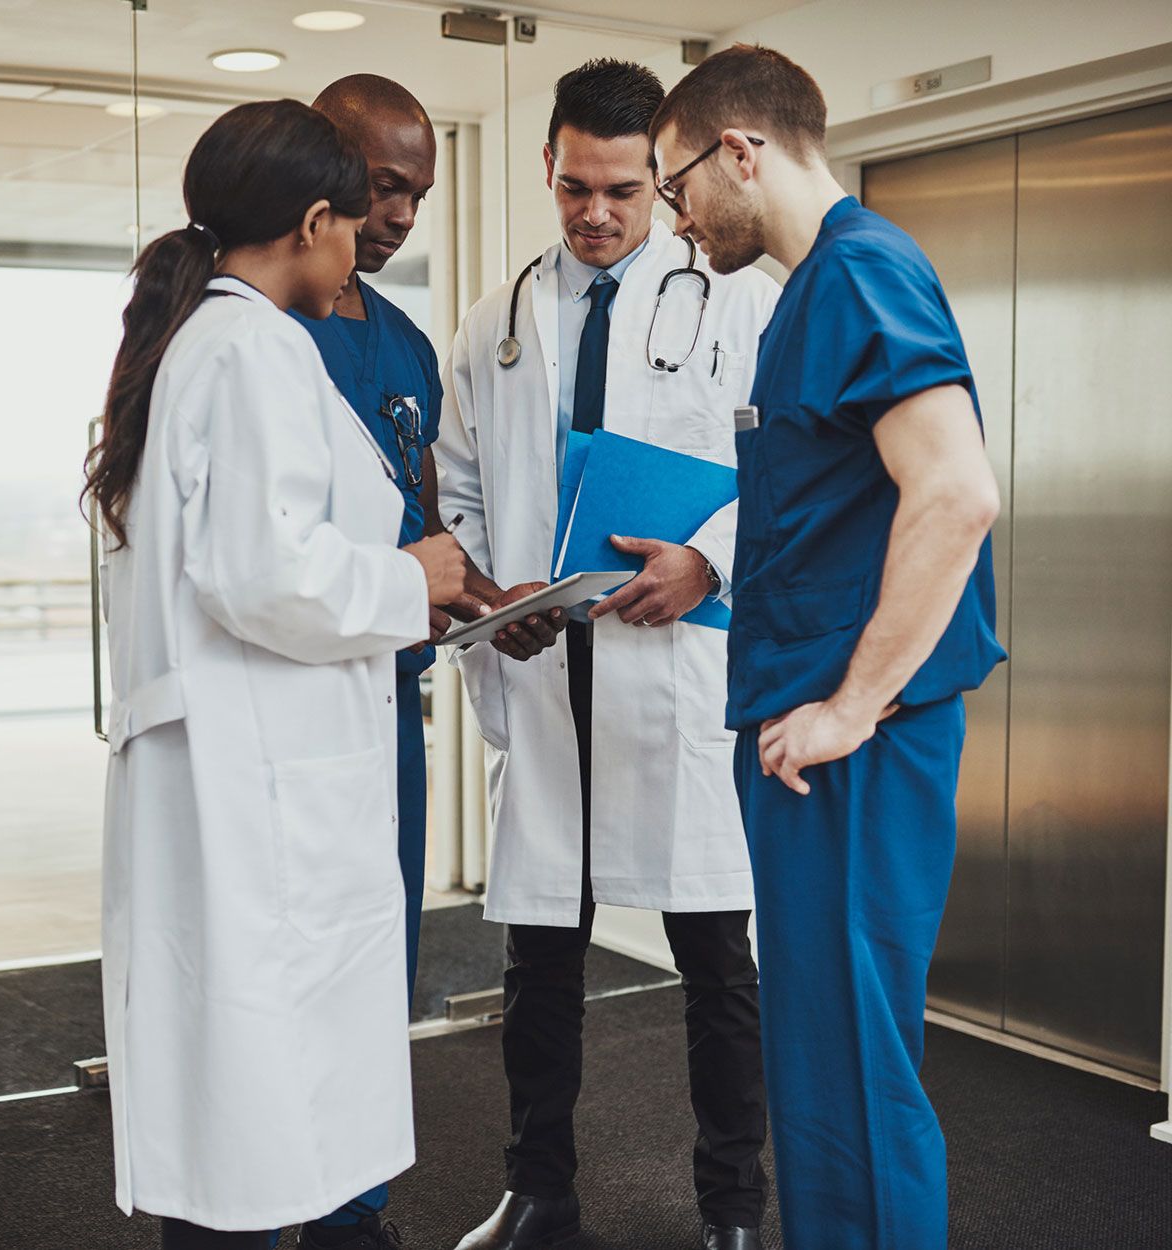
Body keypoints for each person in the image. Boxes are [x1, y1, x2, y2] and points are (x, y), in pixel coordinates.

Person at [85, 99, 468, 1249]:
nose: (362, 247)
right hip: (255, 778)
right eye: (354, 221)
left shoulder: (199, 341)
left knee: (235, 1093)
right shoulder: (255, 348)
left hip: (235, 761)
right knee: (251, 1091)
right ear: (312, 223)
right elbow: (264, 576)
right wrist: (409, 576)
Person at [649, 45, 1005, 1250]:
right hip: (808, 742)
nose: (675, 216)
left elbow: (954, 492)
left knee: (854, 1064)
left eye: (674, 185)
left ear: (737, 151)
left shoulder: (859, 272)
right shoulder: (808, 294)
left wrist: (851, 703)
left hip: (853, 744)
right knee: (816, 1057)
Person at [433, 59, 778, 1250]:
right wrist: (495, 597)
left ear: (661, 178)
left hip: (670, 668)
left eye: (622, 191)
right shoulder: (496, 319)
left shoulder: (734, 297)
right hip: (544, 671)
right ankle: (537, 1190)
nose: (594, 213)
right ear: (546, 163)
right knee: (537, 957)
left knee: (716, 961)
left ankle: (732, 1208)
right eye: (574, 186)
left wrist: (707, 561)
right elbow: (458, 486)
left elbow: (789, 470)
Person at [285, 72, 454, 1249]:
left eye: (416, 195)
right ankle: (264, 1202)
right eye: (382, 186)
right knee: (282, 968)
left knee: (372, 959)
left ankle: (351, 1212)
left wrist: (490, 599)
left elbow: (423, 522)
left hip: (384, 701)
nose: (397, 216)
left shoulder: (403, 343)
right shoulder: (251, 329)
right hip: (283, 703)